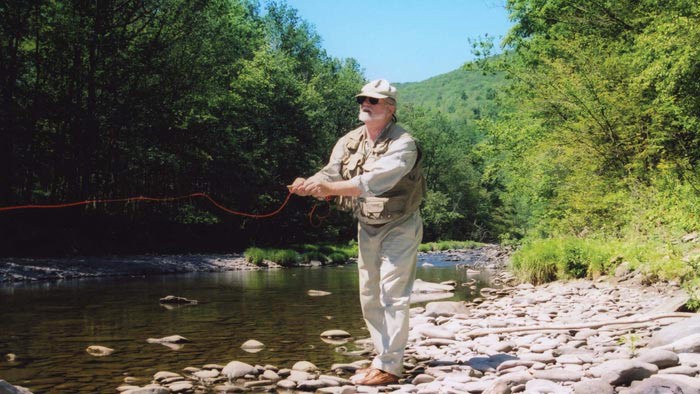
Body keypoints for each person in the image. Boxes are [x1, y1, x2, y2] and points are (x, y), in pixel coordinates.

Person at [289, 79, 426, 386]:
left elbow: (371, 182)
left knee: (393, 293)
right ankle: (382, 357)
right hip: (367, 224)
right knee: (368, 294)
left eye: (374, 101)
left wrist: (328, 188)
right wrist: (309, 183)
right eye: (363, 99)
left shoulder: (404, 144)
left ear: (390, 108)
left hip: (400, 224)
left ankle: (390, 367)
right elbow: (331, 172)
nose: (365, 103)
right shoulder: (349, 140)